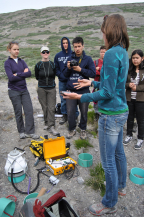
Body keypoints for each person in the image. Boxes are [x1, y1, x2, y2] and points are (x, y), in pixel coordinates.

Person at [63, 14, 129, 215]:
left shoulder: (109, 54)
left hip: (109, 115)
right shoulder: (123, 52)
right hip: (121, 112)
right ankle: (121, 187)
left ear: (109, 30)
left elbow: (108, 93)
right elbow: (115, 87)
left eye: (103, 31)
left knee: (108, 159)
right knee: (118, 153)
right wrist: (92, 82)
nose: (102, 35)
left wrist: (79, 97)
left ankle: (109, 202)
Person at [4, 41, 39, 139]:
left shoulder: (22, 61)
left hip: (24, 90)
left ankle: (30, 131)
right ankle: (21, 131)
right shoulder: (7, 63)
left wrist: (18, 74)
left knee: (29, 110)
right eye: (14, 49)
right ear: (9, 50)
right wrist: (22, 74)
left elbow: (29, 73)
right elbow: (11, 78)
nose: (16, 51)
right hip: (13, 90)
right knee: (18, 111)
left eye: (18, 49)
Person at [63, 36, 96, 139]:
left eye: (79, 46)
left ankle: (83, 129)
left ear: (83, 46)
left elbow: (93, 73)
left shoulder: (88, 59)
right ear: (73, 47)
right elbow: (64, 75)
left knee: (84, 112)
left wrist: (80, 69)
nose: (77, 49)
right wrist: (68, 68)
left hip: (84, 91)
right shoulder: (70, 58)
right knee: (70, 111)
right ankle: (72, 129)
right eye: (75, 46)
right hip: (71, 90)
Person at [54, 37, 79, 125]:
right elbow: (56, 69)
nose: (65, 45)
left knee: (74, 98)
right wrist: (61, 75)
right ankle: (65, 116)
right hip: (62, 81)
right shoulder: (58, 56)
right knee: (63, 99)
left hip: (72, 80)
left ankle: (75, 116)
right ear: (61, 44)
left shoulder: (73, 54)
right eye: (63, 43)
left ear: (69, 43)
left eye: (66, 43)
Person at [35, 46, 59, 136]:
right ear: (41, 53)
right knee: (44, 107)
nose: (45, 53)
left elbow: (54, 75)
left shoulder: (52, 64)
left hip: (51, 88)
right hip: (41, 88)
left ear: (49, 53)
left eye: (47, 52)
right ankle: (46, 122)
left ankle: (51, 126)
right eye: (43, 52)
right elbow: (37, 76)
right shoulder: (38, 65)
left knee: (51, 107)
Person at [123, 49, 144, 150]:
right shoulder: (129, 69)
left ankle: (140, 138)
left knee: (141, 120)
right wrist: (128, 84)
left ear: (142, 58)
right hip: (129, 98)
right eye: (133, 58)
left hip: (141, 99)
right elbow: (123, 82)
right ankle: (129, 135)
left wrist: (137, 88)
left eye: (137, 58)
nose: (135, 60)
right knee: (130, 118)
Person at [93, 46, 106, 120]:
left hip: (105, 84)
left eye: (104, 52)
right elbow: (93, 72)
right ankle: (96, 114)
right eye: (101, 52)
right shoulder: (96, 62)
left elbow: (107, 73)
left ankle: (103, 113)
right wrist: (99, 71)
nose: (103, 54)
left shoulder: (108, 62)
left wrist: (99, 69)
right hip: (97, 83)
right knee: (96, 99)